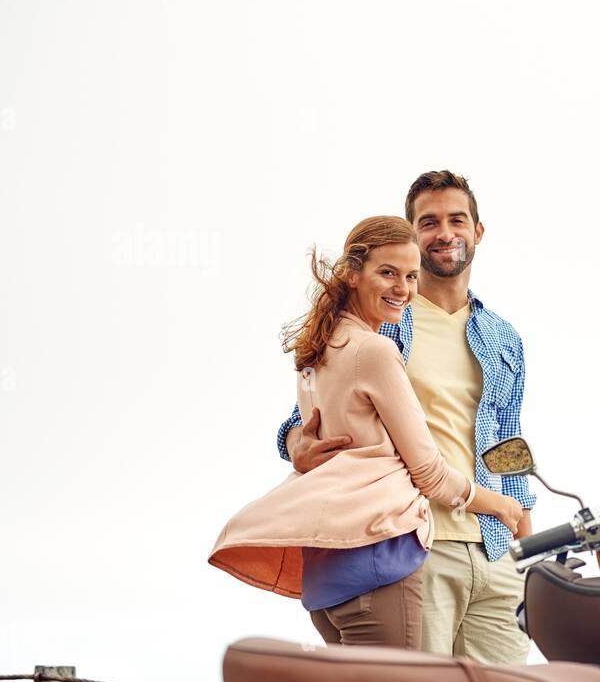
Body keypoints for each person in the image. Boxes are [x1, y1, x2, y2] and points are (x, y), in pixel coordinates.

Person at [209, 215, 524, 648]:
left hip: (346, 572)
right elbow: (427, 471)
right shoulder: (379, 344)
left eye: (410, 276)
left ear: (478, 231)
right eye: (389, 273)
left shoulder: (320, 347)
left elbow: (508, 436)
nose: (403, 288)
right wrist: (499, 505)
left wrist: (526, 542)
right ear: (353, 273)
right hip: (388, 553)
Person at [277, 171, 536, 665]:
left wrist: (531, 561)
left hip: (496, 552)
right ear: (412, 236)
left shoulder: (504, 338)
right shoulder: (386, 319)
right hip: (415, 548)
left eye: (457, 220)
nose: (444, 233)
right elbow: (303, 419)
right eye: (429, 222)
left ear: (478, 231)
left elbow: (510, 448)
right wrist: (296, 445)